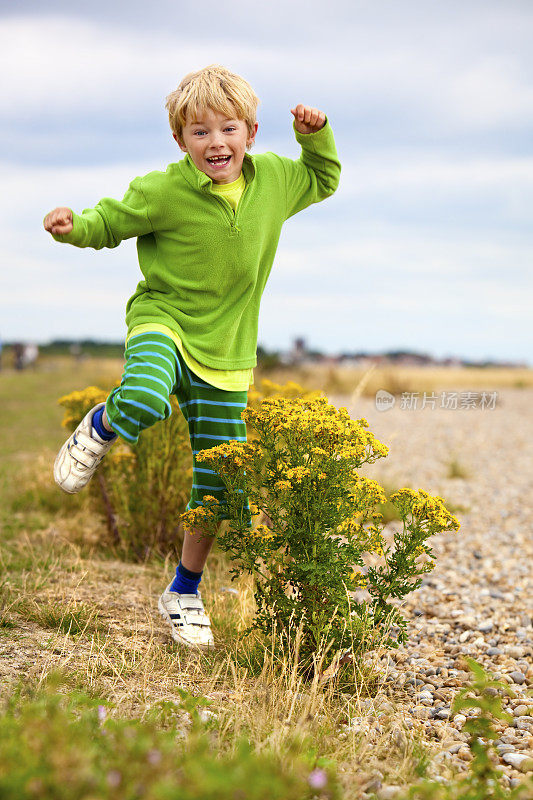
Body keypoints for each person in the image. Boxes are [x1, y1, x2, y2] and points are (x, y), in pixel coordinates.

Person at [43, 64, 341, 651]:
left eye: (227, 129)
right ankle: (100, 426)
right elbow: (112, 220)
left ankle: (183, 590)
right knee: (147, 396)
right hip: (164, 322)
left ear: (251, 133)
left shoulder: (277, 180)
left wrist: (315, 134)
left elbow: (324, 177)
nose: (215, 143)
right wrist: (75, 226)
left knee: (220, 484)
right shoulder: (163, 190)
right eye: (199, 133)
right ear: (180, 141)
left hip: (229, 349)